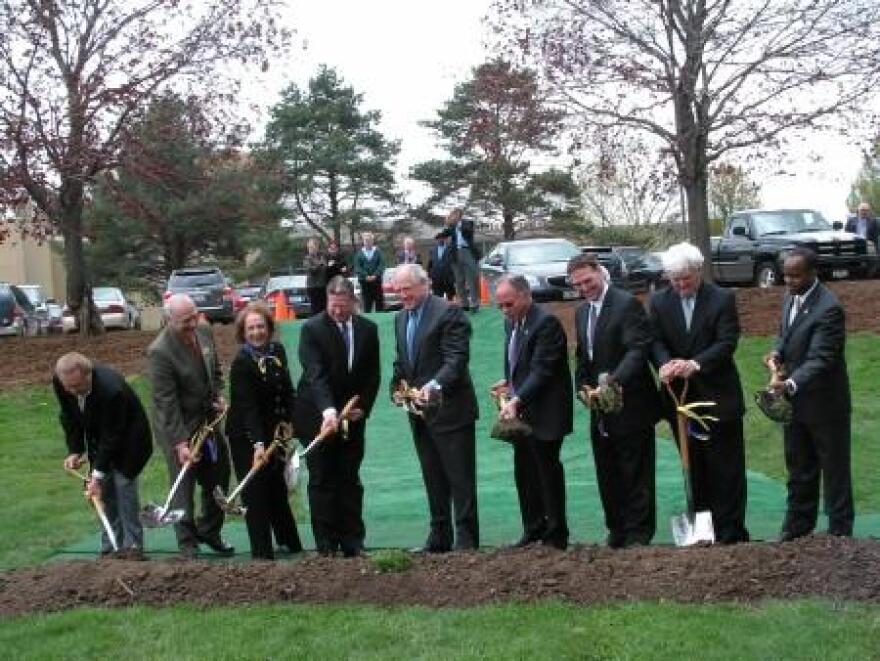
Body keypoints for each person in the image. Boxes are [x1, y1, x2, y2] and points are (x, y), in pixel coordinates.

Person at [647, 242, 749, 544]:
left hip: (718, 397)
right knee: (694, 465)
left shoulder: (721, 299)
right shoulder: (660, 301)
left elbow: (727, 342)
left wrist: (695, 364)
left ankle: (730, 531)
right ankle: (702, 531)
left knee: (725, 467)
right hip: (680, 400)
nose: (680, 285)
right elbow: (654, 340)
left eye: (685, 279)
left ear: (698, 272)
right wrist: (665, 364)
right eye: (674, 280)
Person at [569, 253, 660, 548]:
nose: (585, 288)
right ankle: (617, 529)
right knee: (607, 471)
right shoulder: (582, 312)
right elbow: (583, 355)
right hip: (600, 409)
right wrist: (582, 387)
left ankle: (638, 533)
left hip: (631, 404)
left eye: (588, 281)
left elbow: (638, 350)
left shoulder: (626, 304)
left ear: (601, 273)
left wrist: (613, 382)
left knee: (635, 471)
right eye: (578, 284)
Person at [764, 247, 854, 540]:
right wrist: (777, 352)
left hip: (826, 403)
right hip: (797, 404)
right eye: (785, 275)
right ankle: (797, 527)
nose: (788, 281)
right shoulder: (790, 298)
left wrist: (789, 384)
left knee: (834, 469)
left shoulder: (829, 308)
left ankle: (840, 532)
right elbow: (786, 334)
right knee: (799, 465)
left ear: (813, 273)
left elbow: (821, 357)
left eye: (795, 275)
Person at [391, 263, 479, 552]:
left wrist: (434, 385)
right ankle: (439, 538)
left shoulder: (448, 312)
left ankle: (466, 541)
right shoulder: (401, 318)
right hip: (420, 415)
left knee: (460, 479)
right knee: (433, 477)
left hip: (452, 412)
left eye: (407, 289)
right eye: (398, 290)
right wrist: (396, 388)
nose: (402, 295)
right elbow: (402, 362)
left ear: (424, 284)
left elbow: (457, 359)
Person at [295, 276, 381, 557]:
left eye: (343, 306)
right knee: (322, 479)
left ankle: (353, 541)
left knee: (349, 478)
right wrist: (329, 411)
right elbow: (315, 374)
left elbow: (372, 376)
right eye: (333, 306)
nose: (338, 312)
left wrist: (362, 407)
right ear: (327, 301)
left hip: (352, 420)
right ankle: (326, 544)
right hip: (318, 417)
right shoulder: (312, 329)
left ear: (353, 302)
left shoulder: (368, 330)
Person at [147, 293, 234, 558]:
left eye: (194, 317)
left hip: (207, 422)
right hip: (178, 426)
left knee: (219, 476)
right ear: (169, 320)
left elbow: (215, 371)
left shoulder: (204, 332)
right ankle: (187, 543)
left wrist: (218, 394)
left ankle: (209, 530)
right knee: (183, 484)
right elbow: (166, 402)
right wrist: (181, 443)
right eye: (185, 321)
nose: (192, 324)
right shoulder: (159, 352)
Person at [492, 275, 572, 550]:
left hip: (546, 412)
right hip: (523, 412)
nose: (504, 310)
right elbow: (519, 361)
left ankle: (556, 534)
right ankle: (533, 527)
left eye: (509, 304)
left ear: (526, 295)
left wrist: (518, 398)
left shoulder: (546, 322)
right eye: (500, 305)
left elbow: (543, 369)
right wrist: (509, 383)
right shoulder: (512, 322)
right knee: (524, 471)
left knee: (546, 471)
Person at [54, 352, 153, 558]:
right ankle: (110, 548)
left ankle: (133, 548)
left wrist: (96, 475)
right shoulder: (62, 382)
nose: (72, 392)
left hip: (130, 441)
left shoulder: (111, 390)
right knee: (104, 494)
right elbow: (69, 416)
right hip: (100, 437)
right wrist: (75, 450)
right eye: (68, 387)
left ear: (88, 375)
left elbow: (112, 436)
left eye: (77, 387)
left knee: (123, 488)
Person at [226, 303, 302, 560]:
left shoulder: (277, 351)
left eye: (261, 327)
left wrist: (292, 421)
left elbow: (286, 390)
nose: (257, 332)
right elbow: (248, 408)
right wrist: (258, 444)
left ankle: (290, 543)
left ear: (269, 328)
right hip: (247, 437)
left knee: (277, 489)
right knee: (256, 494)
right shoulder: (241, 364)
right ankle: (262, 554)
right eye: (251, 328)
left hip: (274, 432)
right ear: (243, 332)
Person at [442, 208, 482, 312]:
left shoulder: (467, 223)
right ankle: (464, 303)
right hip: (455, 254)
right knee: (459, 280)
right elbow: (443, 235)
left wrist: (458, 225)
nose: (453, 216)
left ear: (459, 215)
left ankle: (475, 303)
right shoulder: (451, 226)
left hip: (467, 251)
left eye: (454, 214)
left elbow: (468, 231)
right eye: (452, 214)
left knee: (471, 279)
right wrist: (447, 224)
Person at [354, 232, 385, 312]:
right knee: (367, 303)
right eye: (366, 240)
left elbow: (382, 265)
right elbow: (357, 267)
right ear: (363, 241)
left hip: (376, 281)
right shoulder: (359, 253)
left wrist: (375, 275)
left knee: (379, 302)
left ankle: (380, 319)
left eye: (369, 240)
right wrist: (366, 276)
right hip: (365, 282)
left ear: (372, 241)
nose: (368, 242)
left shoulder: (378, 252)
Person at [303, 237, 328, 314]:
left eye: (312, 247)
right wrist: (320, 264)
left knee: (324, 307)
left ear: (317, 247)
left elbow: (326, 268)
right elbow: (311, 270)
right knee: (315, 308)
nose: (311, 249)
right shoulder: (307, 258)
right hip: (313, 287)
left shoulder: (322, 256)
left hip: (323, 285)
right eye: (309, 247)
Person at [427, 233, 455, 300]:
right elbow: (430, 264)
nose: (440, 240)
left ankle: (450, 308)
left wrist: (453, 276)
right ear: (436, 240)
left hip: (448, 277)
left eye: (442, 238)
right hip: (436, 277)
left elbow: (453, 263)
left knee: (450, 296)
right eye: (438, 239)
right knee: (437, 296)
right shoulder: (432, 250)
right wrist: (430, 274)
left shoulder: (450, 249)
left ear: (445, 239)